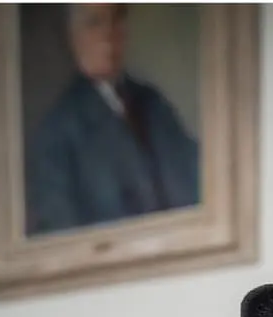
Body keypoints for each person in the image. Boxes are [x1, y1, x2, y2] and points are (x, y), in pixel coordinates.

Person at [24, 3, 201, 235]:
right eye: (94, 23)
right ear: (72, 35)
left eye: (117, 18)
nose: (108, 34)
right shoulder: (56, 134)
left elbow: (199, 183)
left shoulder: (153, 103)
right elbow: (60, 237)